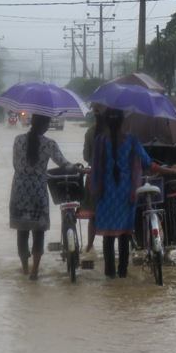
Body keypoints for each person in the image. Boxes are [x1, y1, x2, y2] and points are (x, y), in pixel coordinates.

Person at [90, 108, 176, 278]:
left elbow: (95, 169)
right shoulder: (131, 140)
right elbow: (148, 164)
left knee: (108, 237)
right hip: (126, 194)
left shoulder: (100, 141)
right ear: (123, 121)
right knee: (124, 234)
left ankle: (110, 276)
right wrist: (169, 171)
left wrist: (94, 191)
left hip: (105, 194)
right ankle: (122, 273)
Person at [9, 114, 74, 280]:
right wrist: (77, 168)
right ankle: (35, 271)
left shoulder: (18, 140)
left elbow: (15, 164)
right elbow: (63, 163)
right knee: (39, 232)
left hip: (19, 190)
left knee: (22, 231)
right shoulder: (49, 144)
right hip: (38, 191)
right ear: (45, 125)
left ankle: (24, 268)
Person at [79, 109, 105, 257]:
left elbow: (86, 156)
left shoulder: (89, 132)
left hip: (93, 177)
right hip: (111, 179)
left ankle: (89, 245)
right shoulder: (113, 133)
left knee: (93, 216)